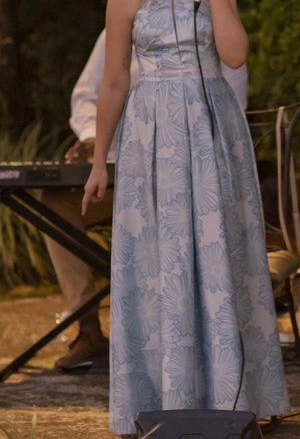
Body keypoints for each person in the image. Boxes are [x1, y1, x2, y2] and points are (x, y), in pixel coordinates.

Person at [81, 0, 288, 433]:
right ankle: (164, 401)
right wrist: (100, 161)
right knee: (160, 262)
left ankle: (231, 398)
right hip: (153, 140)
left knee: (221, 257)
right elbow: (114, 81)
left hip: (212, 129)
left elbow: (235, 56)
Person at [40, 34, 248, 371]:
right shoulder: (121, 21)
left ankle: (181, 336)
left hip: (186, 173)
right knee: (56, 203)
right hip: (118, 171)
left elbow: (232, 105)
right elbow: (88, 93)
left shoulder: (210, 19)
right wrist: (92, 136)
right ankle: (89, 328)